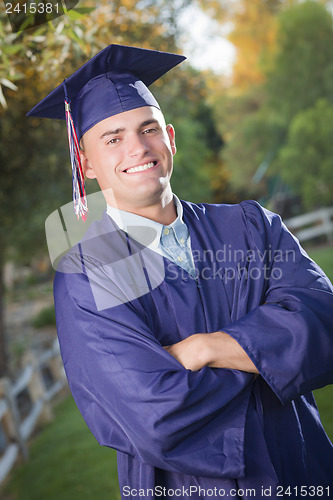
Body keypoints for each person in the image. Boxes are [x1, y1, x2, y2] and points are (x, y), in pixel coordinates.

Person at [27, 44, 333, 500]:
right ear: (86, 164)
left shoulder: (252, 226)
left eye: (148, 128)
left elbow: (323, 322)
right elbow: (154, 414)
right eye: (112, 138)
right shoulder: (89, 272)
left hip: (305, 470)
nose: (137, 147)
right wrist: (273, 357)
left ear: (170, 137)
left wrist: (202, 349)